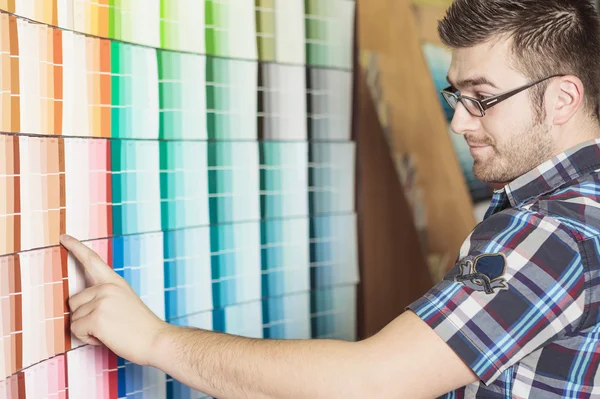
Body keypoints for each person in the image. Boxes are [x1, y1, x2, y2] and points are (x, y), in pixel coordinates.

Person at [59, 0, 600, 397]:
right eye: (456, 97)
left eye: (482, 99)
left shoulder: (551, 234)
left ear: (561, 99)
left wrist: (153, 340)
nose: (458, 121)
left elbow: (372, 381)